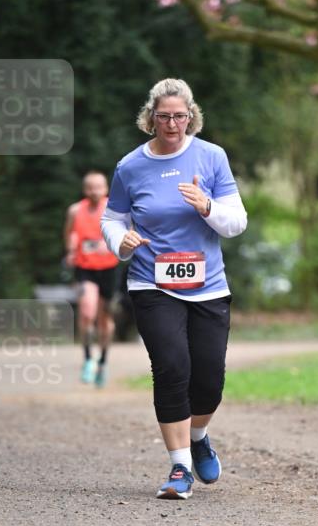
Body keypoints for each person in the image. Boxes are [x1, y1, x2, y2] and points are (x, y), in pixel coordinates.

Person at [101, 78, 247, 499]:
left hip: (208, 287)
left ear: (191, 116)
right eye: (163, 116)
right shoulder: (130, 167)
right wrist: (120, 241)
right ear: (151, 118)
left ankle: (198, 435)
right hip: (151, 282)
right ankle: (180, 467)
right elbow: (113, 219)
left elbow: (236, 222)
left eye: (179, 116)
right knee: (170, 368)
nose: (172, 123)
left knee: (208, 381)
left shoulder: (212, 157)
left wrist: (206, 207)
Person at [64, 171, 120, 388]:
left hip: (109, 268)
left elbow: (126, 231)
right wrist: (71, 248)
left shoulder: (113, 208)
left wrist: (114, 244)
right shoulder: (75, 210)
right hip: (84, 267)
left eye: (99, 187)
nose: (95, 191)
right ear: (84, 189)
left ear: (105, 189)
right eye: (90, 187)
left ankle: (103, 362)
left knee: (105, 320)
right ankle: (88, 359)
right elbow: (70, 233)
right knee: (87, 311)